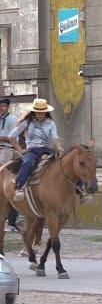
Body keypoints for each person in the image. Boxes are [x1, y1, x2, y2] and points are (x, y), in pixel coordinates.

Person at [9, 99, 64, 203]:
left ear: (46, 112)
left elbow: (54, 138)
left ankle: (80, 190)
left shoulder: (51, 123)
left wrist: (59, 147)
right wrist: (21, 150)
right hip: (32, 150)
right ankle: (19, 188)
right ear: (34, 111)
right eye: (38, 112)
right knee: (27, 163)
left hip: (47, 150)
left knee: (64, 163)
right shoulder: (27, 123)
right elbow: (11, 136)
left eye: (42, 112)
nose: (40, 114)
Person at [0, 97, 20, 232]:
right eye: (0, 106)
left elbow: (13, 138)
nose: (1, 108)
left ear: (8, 107)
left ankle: (11, 221)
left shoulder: (13, 119)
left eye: (3, 106)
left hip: (7, 149)